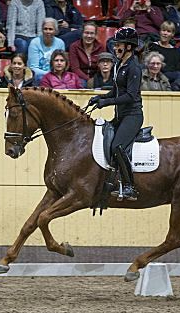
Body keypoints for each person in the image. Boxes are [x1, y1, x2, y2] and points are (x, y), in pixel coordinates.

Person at [88, 27, 145, 202]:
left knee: (117, 146)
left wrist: (106, 103)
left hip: (133, 116)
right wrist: (99, 97)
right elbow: (116, 91)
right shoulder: (119, 65)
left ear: (129, 47)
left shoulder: (134, 68)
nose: (115, 48)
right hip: (121, 116)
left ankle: (130, 187)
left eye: (118, 45)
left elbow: (130, 96)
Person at [27, 18, 65, 86]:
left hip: (55, 73)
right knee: (40, 78)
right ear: (42, 30)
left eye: (50, 29)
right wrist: (49, 75)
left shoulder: (60, 43)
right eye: (45, 29)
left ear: (55, 31)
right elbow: (33, 68)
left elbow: (62, 63)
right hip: (37, 75)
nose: (48, 31)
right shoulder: (34, 42)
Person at [68, 22, 106, 88]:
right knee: (82, 83)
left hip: (96, 76)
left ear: (95, 35)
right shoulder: (74, 46)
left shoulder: (101, 47)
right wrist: (89, 80)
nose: (89, 36)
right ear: (82, 33)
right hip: (79, 77)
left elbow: (101, 67)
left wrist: (95, 79)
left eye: (92, 33)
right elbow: (75, 69)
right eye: (86, 33)